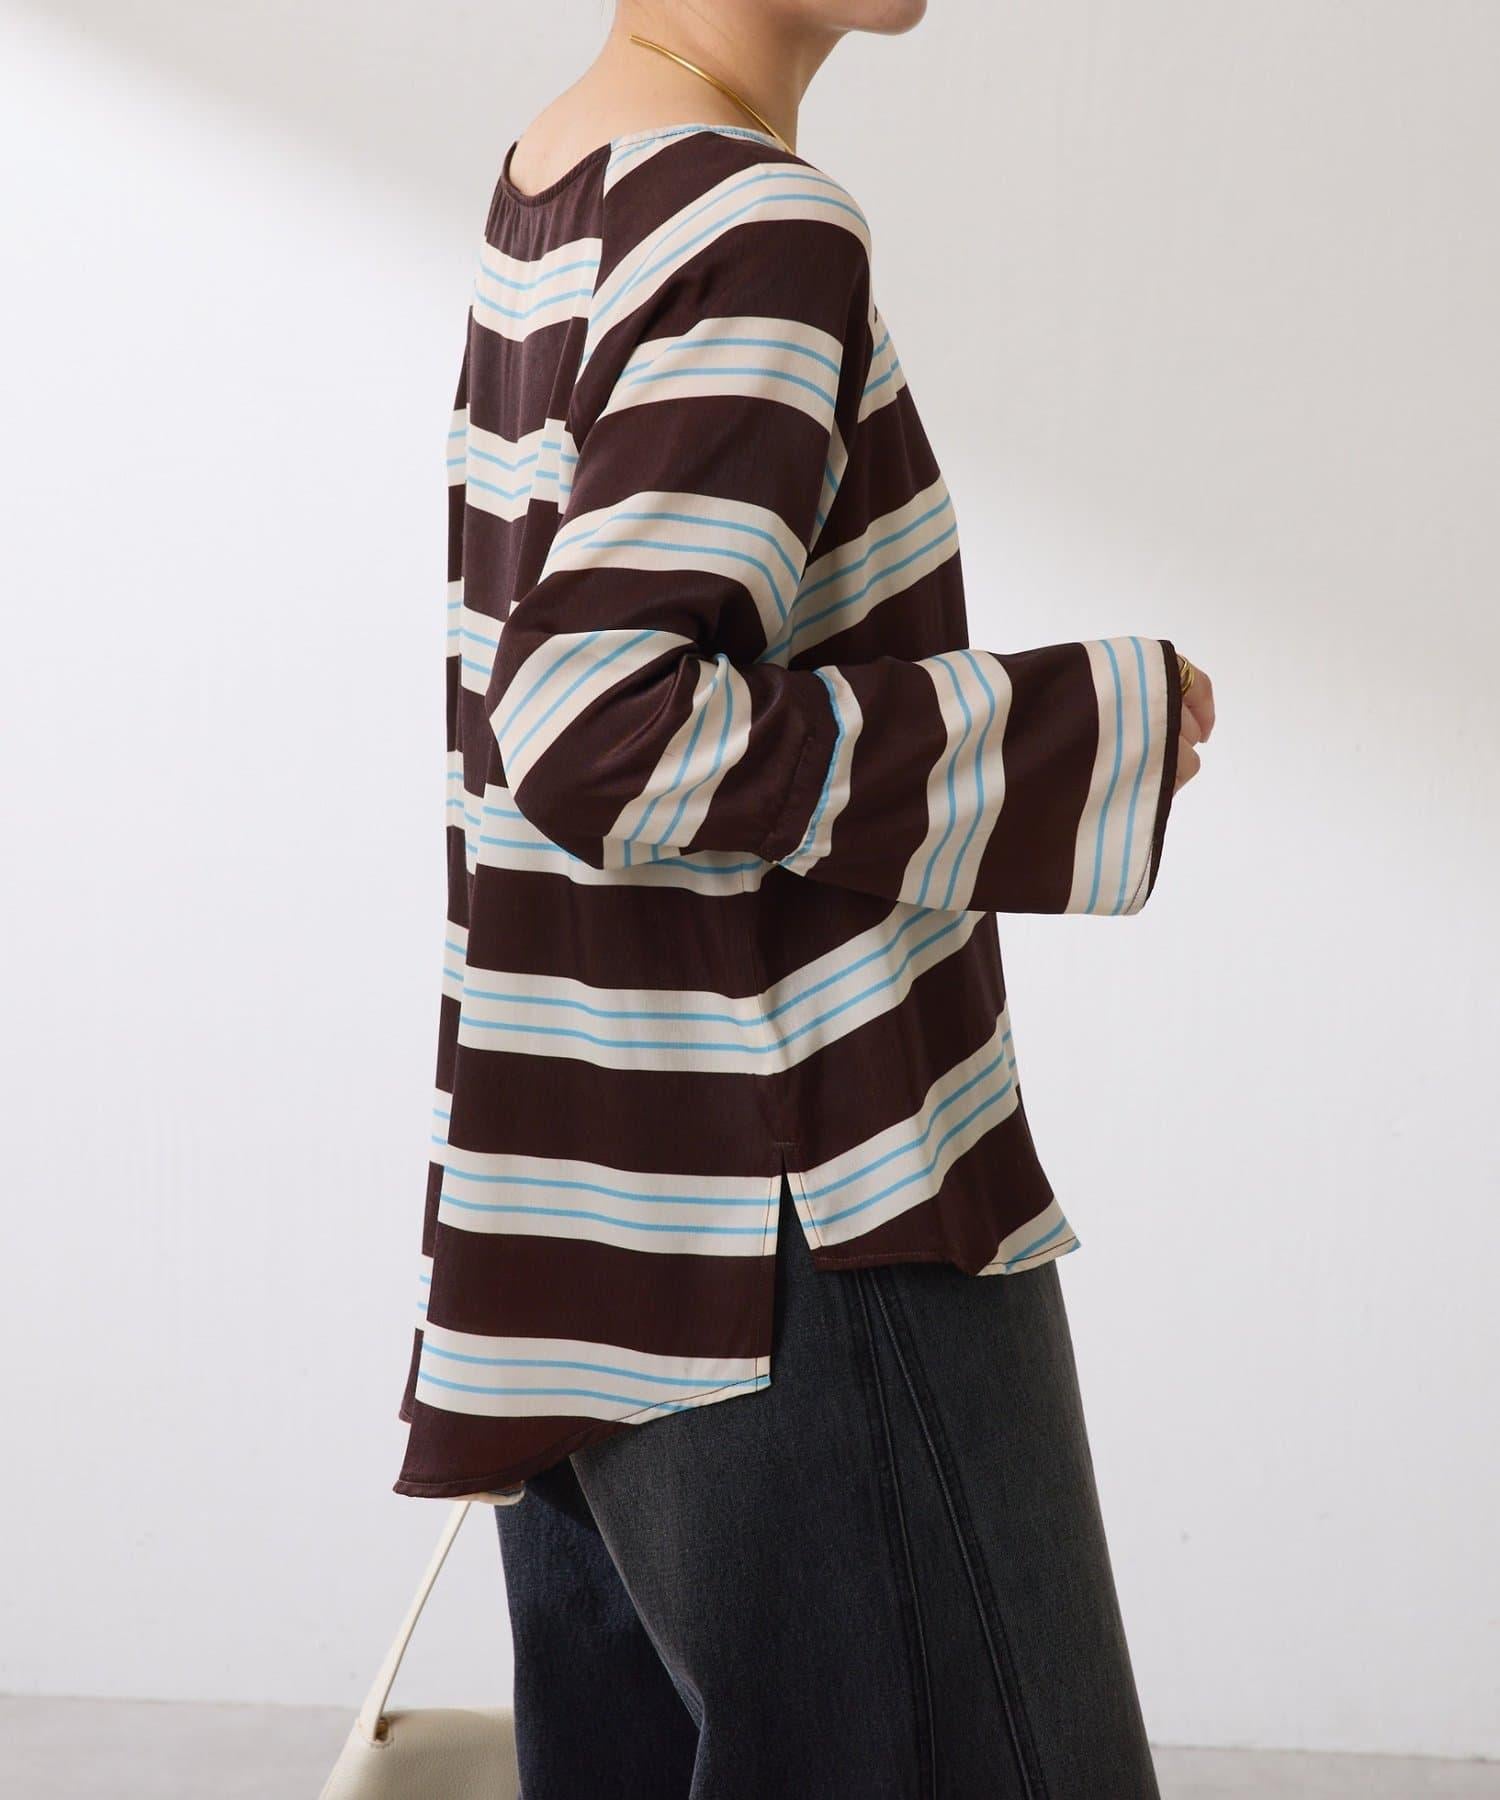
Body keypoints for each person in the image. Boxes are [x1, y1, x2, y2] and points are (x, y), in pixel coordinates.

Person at [400, 2, 1215, 1793]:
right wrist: (1073, 735)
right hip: (800, 1222)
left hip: (598, 1223)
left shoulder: (565, 170)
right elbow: (593, 730)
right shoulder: (759, 222)